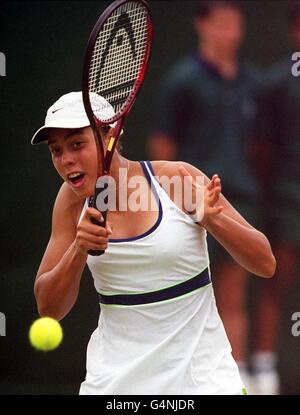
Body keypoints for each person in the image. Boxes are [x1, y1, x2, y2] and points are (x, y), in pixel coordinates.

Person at [31, 91, 275, 395]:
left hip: (204, 383)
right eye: (56, 150)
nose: (66, 159)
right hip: (116, 388)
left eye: (77, 144)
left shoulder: (176, 180)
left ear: (111, 135)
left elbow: (265, 263)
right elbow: (49, 308)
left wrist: (214, 221)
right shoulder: (68, 203)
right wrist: (78, 249)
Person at [148, 1, 263, 389]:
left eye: (237, 24)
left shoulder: (251, 82)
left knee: (233, 295)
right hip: (188, 206)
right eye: (222, 23)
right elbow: (163, 147)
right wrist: (172, 201)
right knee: (181, 296)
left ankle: (240, 379)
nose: (230, 32)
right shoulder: (181, 81)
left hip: (237, 198)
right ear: (202, 25)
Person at [250, 2, 300, 395]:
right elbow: (261, 149)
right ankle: (263, 372)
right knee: (277, 278)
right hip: (288, 199)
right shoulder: (274, 83)